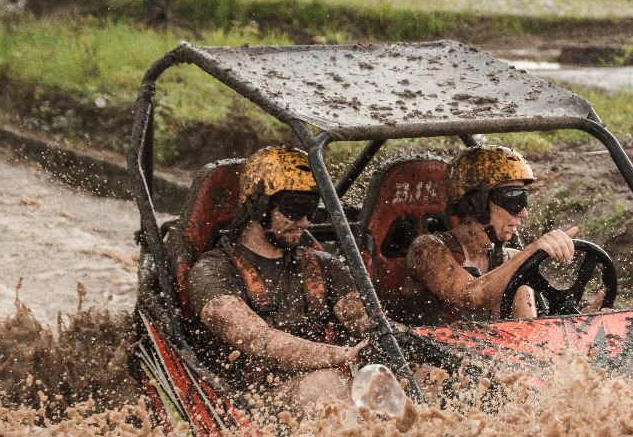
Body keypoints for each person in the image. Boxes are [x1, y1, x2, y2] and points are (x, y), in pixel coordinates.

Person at [186, 146, 370, 410]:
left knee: (420, 373)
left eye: (311, 209)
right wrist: (343, 355)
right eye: (295, 209)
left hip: (325, 385)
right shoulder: (213, 270)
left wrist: (413, 341)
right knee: (325, 385)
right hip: (247, 401)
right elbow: (259, 340)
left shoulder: (323, 265)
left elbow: (364, 319)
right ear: (260, 204)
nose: (306, 222)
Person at [401, 146, 600, 325]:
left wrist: (581, 322)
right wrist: (531, 250)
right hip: (419, 360)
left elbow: (531, 334)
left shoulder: (512, 260)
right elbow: (471, 296)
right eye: (514, 199)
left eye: (525, 199)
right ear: (476, 203)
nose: (524, 213)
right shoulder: (427, 249)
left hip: (484, 361)